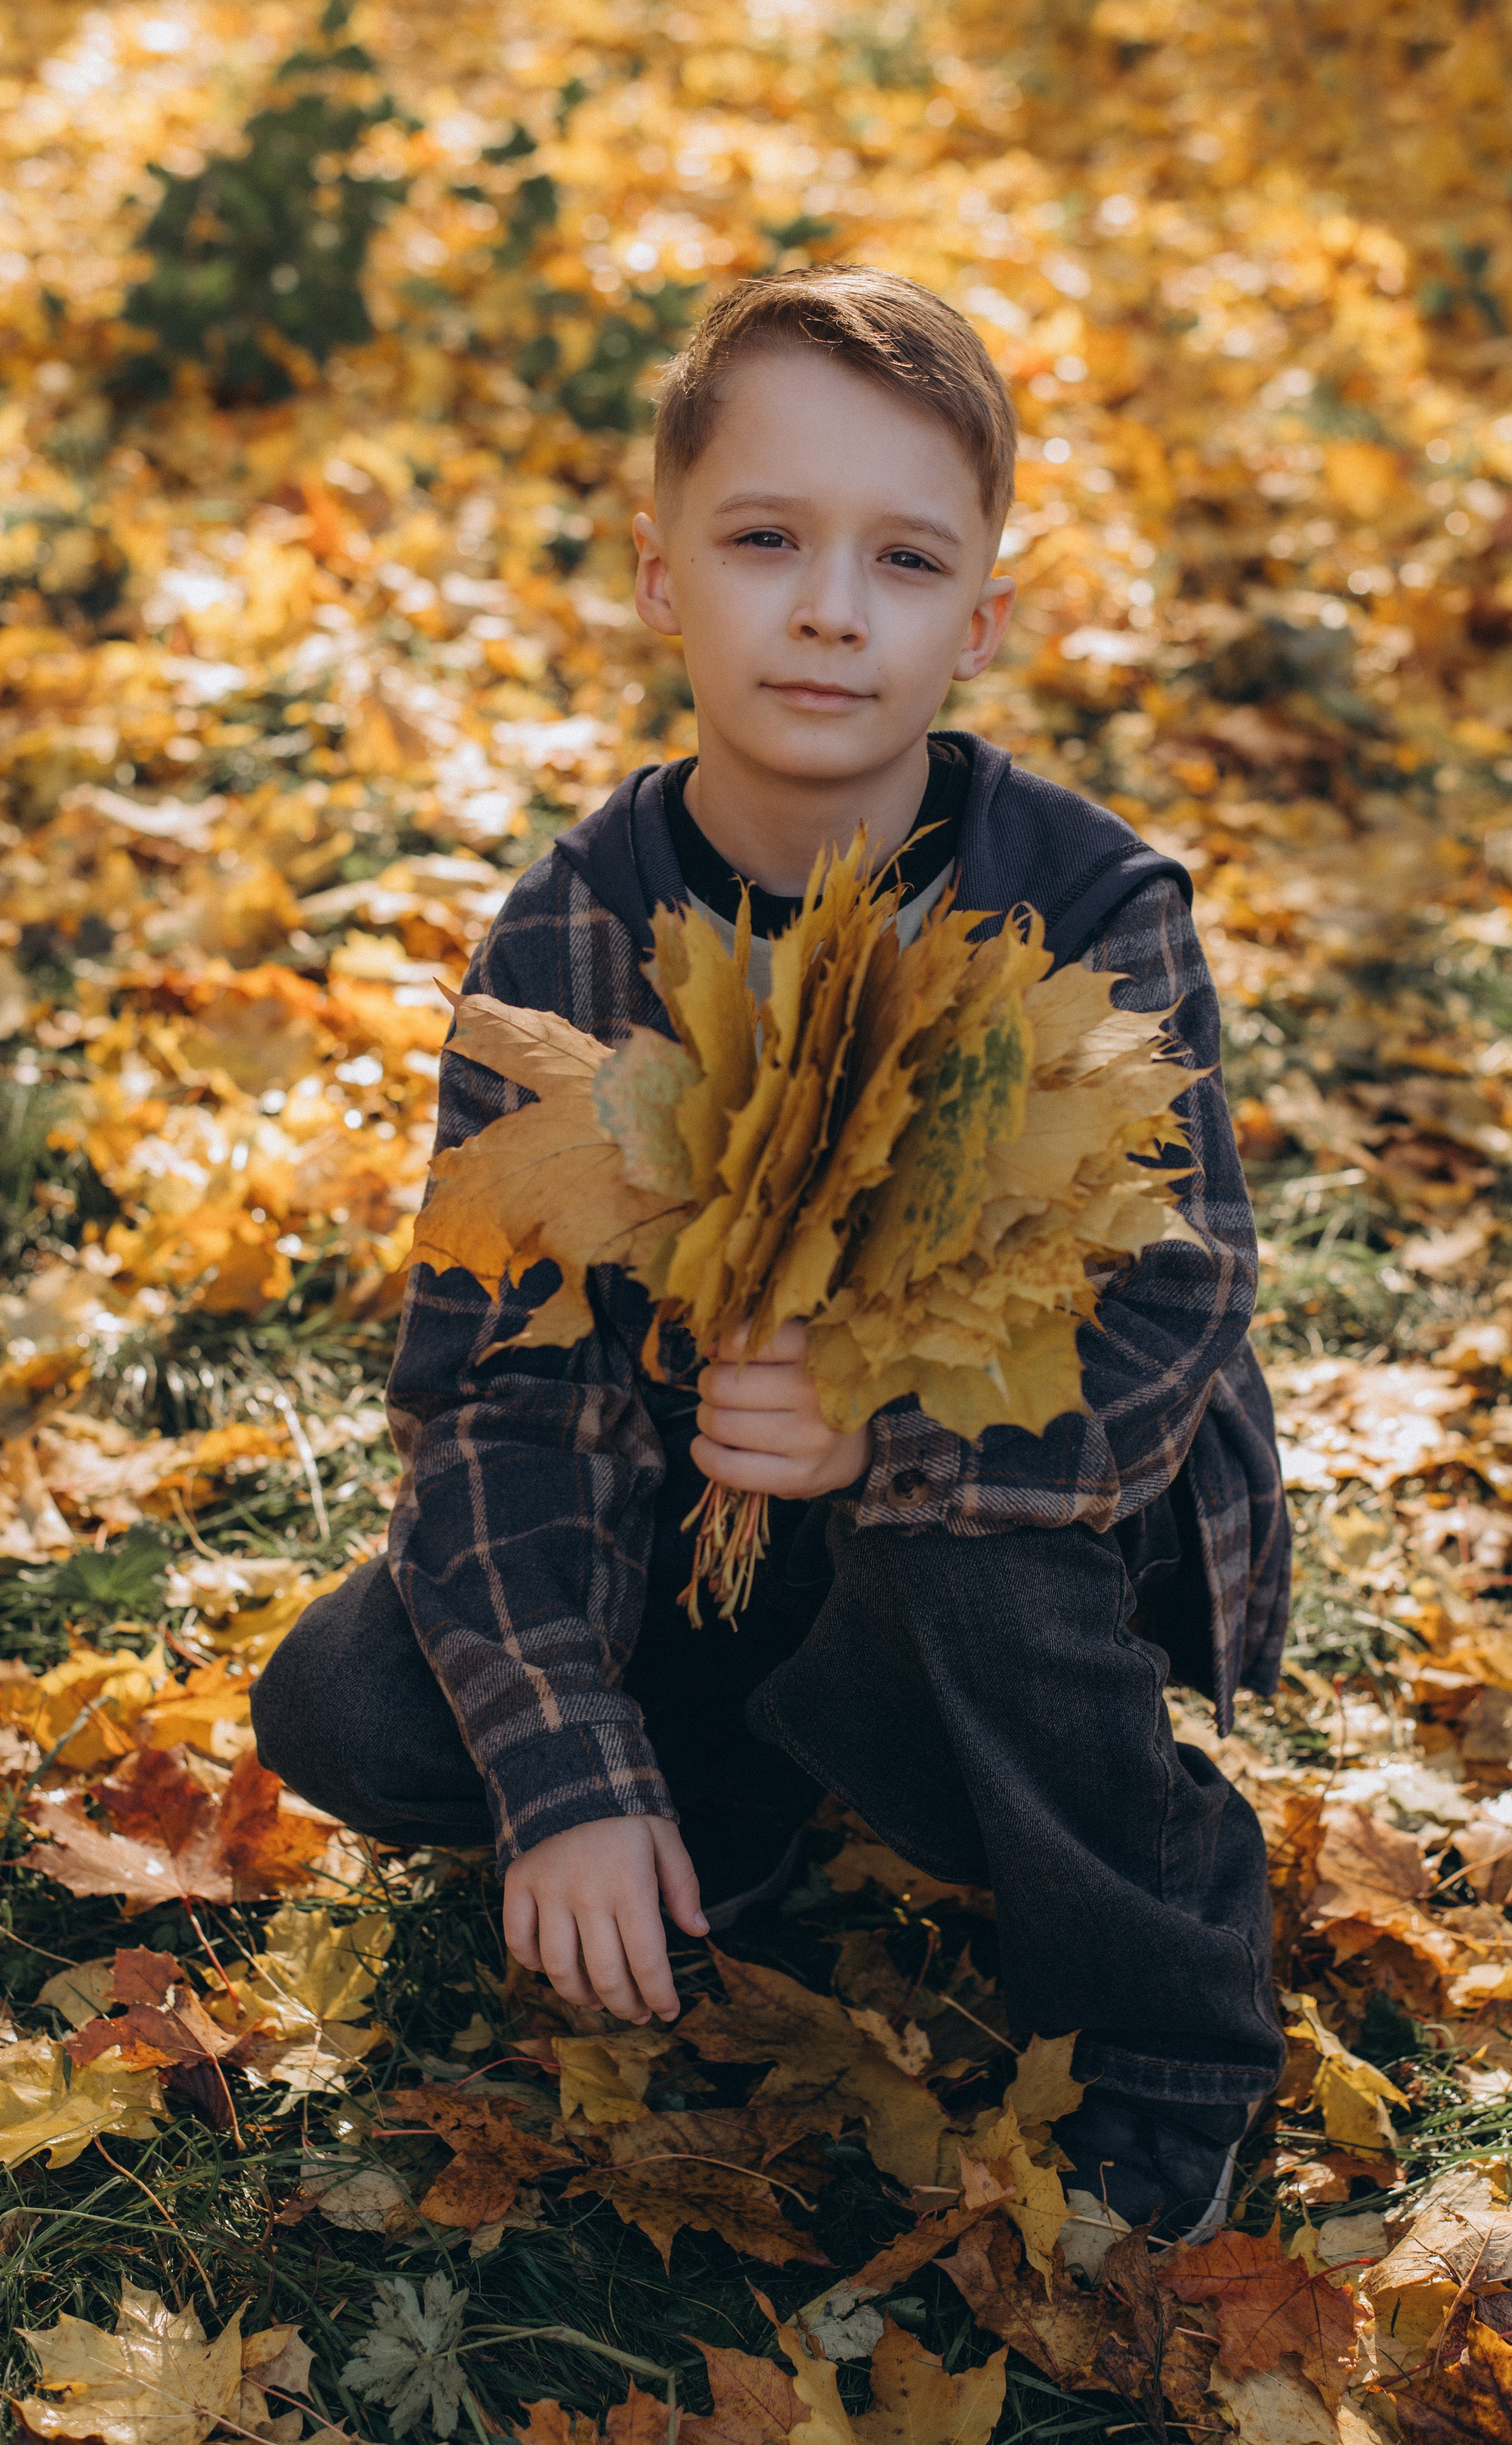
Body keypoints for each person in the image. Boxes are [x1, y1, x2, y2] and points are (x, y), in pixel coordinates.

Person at [252, 265, 1291, 2240]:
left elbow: (1176, 1305)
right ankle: (710, 1796)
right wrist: (566, 1766)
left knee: (961, 1566)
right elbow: (503, 1388)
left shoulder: (1090, 905)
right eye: (764, 541)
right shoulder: (571, 930)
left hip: (1037, 1513)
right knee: (353, 1705)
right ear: (664, 580)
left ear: (979, 622)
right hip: (690, 1507)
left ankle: (1162, 2006)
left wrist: (882, 1431)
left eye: (904, 558)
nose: (830, 608)